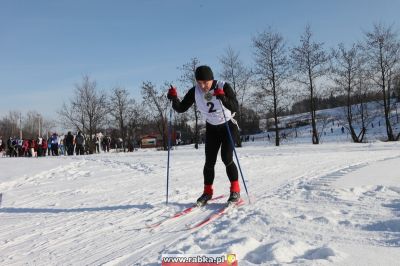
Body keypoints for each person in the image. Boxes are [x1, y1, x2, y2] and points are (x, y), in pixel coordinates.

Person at [167, 65, 241, 206]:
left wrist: (223, 97)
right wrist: (174, 98)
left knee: (226, 157)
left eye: (205, 83)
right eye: (199, 82)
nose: (202, 86)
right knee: (209, 161)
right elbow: (181, 108)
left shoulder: (223, 86)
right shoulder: (195, 91)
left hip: (227, 126)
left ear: (211, 79)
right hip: (212, 128)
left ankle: (235, 190)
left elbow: (235, 106)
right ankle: (207, 192)